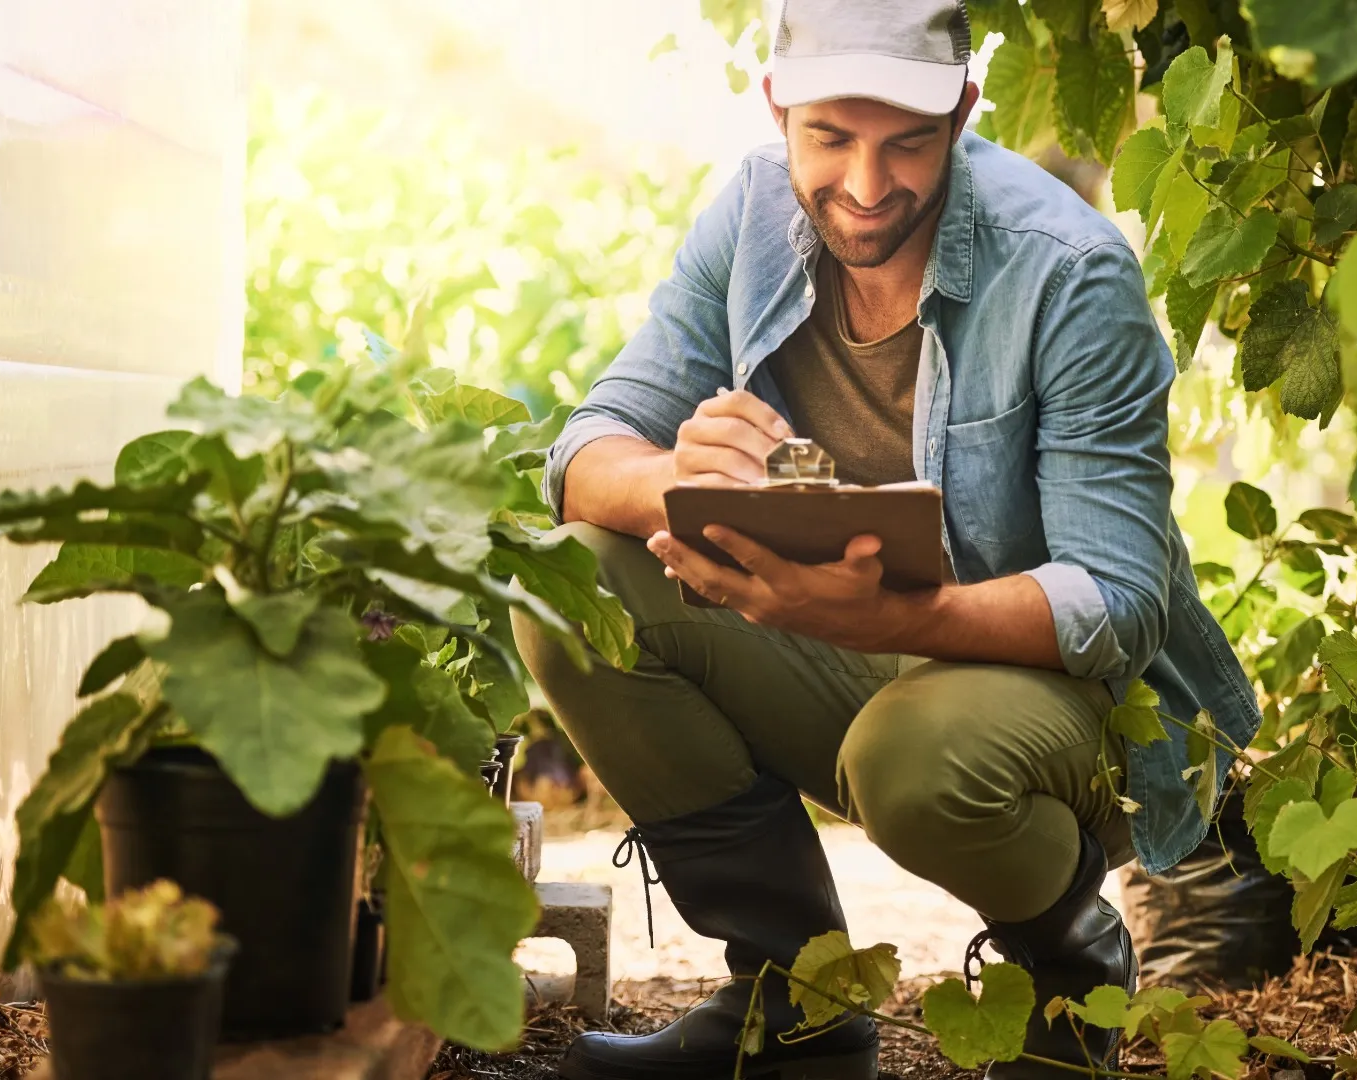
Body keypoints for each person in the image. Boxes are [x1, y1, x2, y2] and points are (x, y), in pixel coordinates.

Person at [514, 2, 1258, 1076]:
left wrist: (897, 615)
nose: (865, 185)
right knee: (570, 583)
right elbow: (583, 453)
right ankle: (796, 1002)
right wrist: (676, 474)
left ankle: (1069, 965)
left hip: (1063, 698)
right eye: (831, 138)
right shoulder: (752, 217)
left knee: (907, 758)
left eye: (906, 141)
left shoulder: (1068, 272)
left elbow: (1120, 602)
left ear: (961, 110)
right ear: (779, 109)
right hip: (866, 648)